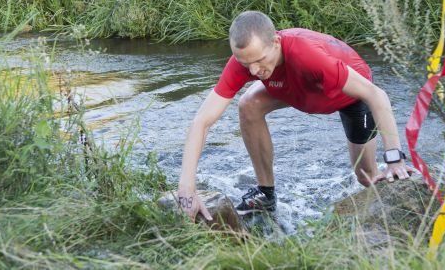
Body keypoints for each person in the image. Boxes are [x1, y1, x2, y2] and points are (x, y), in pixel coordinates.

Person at [177, 11, 414, 221]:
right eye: (245, 63)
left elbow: (377, 95)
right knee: (249, 104)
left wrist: (395, 159)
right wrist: (187, 188)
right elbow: (202, 121)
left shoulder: (307, 55)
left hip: (348, 97)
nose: (253, 71)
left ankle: (387, 215)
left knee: (365, 176)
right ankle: (266, 194)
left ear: (276, 42)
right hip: (299, 90)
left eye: (260, 61)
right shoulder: (248, 62)